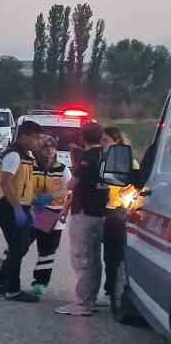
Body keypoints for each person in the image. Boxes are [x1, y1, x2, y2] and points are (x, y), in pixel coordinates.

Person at [57, 122, 109, 316]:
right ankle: (91, 299)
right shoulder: (106, 155)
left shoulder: (87, 158)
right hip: (100, 212)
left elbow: (71, 184)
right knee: (94, 258)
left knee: (82, 258)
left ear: (82, 137)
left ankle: (82, 304)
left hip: (84, 213)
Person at [0, 120, 44, 302]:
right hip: (7, 206)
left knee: (22, 245)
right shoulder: (14, 155)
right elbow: (5, 183)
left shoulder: (27, 156)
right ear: (24, 136)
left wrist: (34, 200)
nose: (38, 142)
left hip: (19, 206)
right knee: (17, 246)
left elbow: (23, 184)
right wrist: (17, 209)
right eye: (36, 138)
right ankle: (12, 289)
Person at [27, 136, 69, 296]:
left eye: (52, 147)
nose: (50, 150)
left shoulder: (62, 169)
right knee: (20, 244)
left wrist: (52, 198)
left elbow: (68, 189)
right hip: (33, 212)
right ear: (39, 150)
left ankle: (40, 282)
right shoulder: (31, 167)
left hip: (53, 213)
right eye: (46, 147)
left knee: (47, 250)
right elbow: (23, 186)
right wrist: (33, 199)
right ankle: (2, 275)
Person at [101, 126, 134, 311]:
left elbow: (138, 183)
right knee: (107, 256)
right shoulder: (101, 159)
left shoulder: (128, 162)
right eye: (101, 140)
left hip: (117, 211)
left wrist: (124, 195)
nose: (102, 144)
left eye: (106, 140)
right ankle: (110, 288)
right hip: (101, 210)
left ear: (117, 142)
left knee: (115, 254)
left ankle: (115, 290)